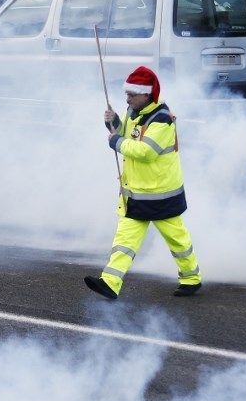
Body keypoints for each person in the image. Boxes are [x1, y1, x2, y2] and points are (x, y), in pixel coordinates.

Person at [84, 66, 202, 299]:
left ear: (147, 95)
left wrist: (115, 141)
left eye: (131, 94)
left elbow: (146, 151)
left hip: (161, 194)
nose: (127, 98)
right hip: (136, 193)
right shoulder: (133, 111)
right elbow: (125, 134)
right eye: (127, 94)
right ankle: (110, 282)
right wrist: (114, 121)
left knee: (177, 240)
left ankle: (191, 278)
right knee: (124, 242)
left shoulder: (162, 120)